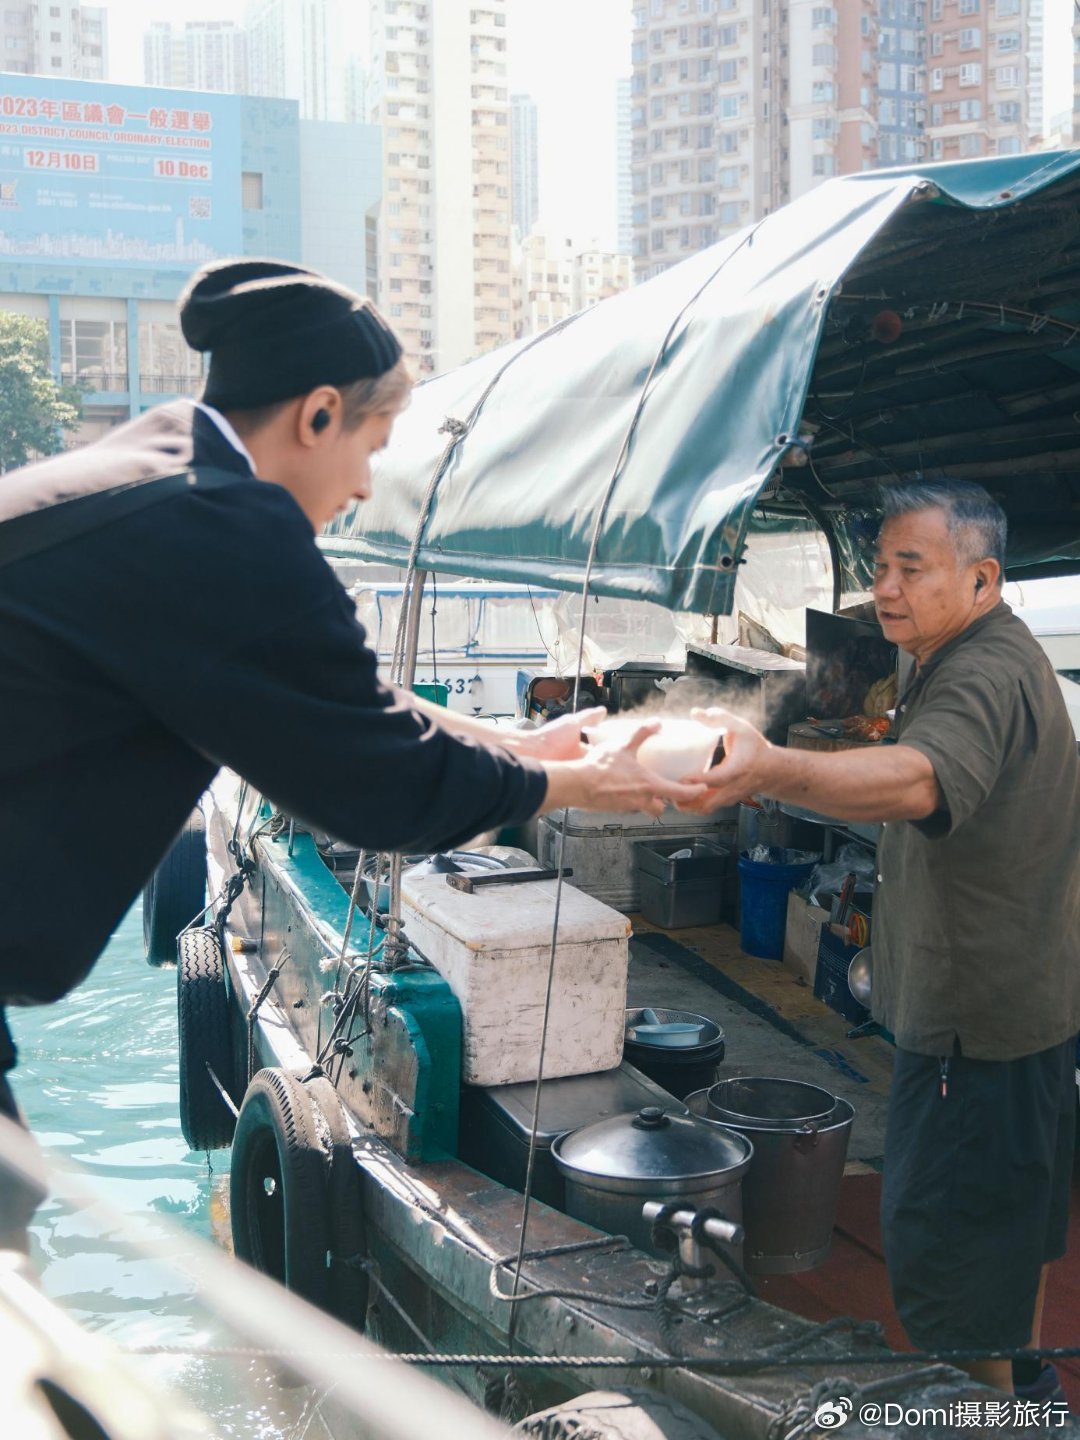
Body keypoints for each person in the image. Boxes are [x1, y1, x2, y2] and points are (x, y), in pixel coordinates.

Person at [0, 258, 705, 1145]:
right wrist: (579, 786)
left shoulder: (163, 475)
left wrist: (525, 747)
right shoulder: (226, 528)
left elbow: (351, 704)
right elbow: (383, 787)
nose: (367, 486)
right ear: (318, 412)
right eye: (372, 447)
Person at [677, 480, 1080, 1401]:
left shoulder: (981, 670)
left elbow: (917, 782)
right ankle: (1026, 1402)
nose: (885, 589)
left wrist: (771, 765)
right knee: (1014, 1235)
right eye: (880, 566)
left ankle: (987, 1423)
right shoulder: (955, 651)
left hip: (974, 1033)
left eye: (911, 568)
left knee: (955, 1255)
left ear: (982, 580)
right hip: (1030, 1010)